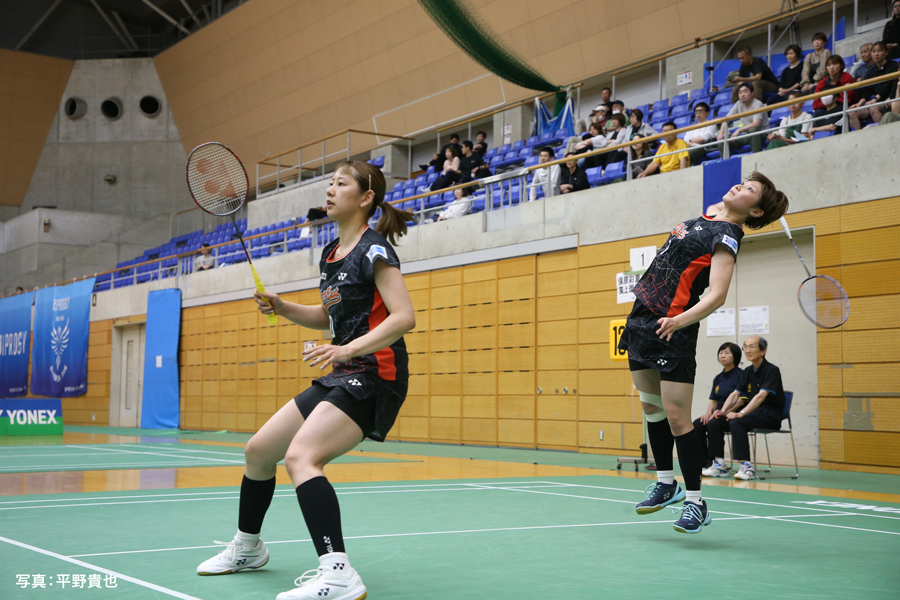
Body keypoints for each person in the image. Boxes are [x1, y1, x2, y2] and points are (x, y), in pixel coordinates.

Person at [194, 162, 414, 600]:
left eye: (341, 183)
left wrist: (348, 349)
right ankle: (249, 548)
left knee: (302, 457)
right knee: (259, 451)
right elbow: (327, 316)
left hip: (376, 374)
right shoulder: (331, 253)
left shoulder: (375, 251)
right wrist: (281, 306)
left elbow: (404, 317)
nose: (330, 190)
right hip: (343, 372)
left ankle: (338, 574)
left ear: (366, 197)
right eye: (329, 183)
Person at [619, 173, 788, 533]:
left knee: (679, 418)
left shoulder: (727, 236)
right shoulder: (709, 217)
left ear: (755, 211)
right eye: (743, 183)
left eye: (748, 191)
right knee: (652, 408)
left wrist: (679, 322)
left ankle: (697, 502)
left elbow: (717, 295)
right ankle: (667, 483)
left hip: (672, 325)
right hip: (641, 318)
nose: (739, 187)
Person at [703, 337, 786, 480]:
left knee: (737, 422)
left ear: (763, 351)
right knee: (715, 422)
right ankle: (719, 464)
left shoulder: (772, 370)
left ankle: (746, 467)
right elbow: (735, 394)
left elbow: (761, 396)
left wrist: (741, 413)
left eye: (752, 347)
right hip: (753, 414)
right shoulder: (748, 371)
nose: (747, 350)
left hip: (770, 414)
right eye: (745, 347)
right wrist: (723, 412)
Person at [693, 343, 743, 469]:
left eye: (727, 353)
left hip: (732, 414)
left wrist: (724, 413)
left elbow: (740, 400)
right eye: (720, 353)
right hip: (717, 413)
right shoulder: (718, 378)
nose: (723, 356)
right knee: (698, 424)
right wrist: (708, 414)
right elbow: (713, 401)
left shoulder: (741, 375)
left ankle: (717, 462)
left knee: (714, 424)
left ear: (735, 356)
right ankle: (704, 462)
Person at [848, 42, 899, 129]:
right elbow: (867, 90)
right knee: (852, 112)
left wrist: (876, 99)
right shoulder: (871, 71)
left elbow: (890, 85)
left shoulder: (893, 66)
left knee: (873, 108)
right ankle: (857, 139)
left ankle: (880, 135)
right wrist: (859, 103)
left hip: (891, 100)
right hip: (877, 101)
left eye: (879, 51)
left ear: (886, 52)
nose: (876, 54)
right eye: (874, 51)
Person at [718, 83, 769, 153]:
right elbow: (726, 119)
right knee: (722, 140)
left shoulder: (758, 104)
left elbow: (755, 124)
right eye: (740, 93)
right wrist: (721, 134)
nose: (742, 94)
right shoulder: (739, 104)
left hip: (761, 133)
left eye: (745, 91)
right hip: (746, 135)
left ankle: (756, 155)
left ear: (752, 93)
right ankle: (724, 161)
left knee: (752, 130)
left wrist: (738, 130)